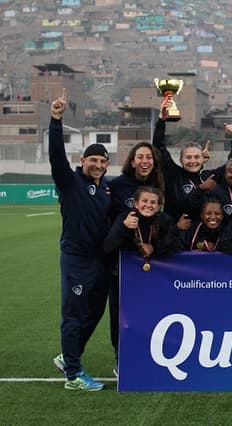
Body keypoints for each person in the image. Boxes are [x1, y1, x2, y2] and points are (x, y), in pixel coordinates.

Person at [49, 91, 110, 391]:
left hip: (100, 261)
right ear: (82, 160)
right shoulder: (70, 182)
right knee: (73, 315)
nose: (97, 165)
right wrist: (56, 120)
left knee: (95, 311)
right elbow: (56, 157)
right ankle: (73, 374)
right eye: (93, 160)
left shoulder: (106, 189)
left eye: (103, 161)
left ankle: (68, 356)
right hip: (76, 259)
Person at [107, 142, 167, 377]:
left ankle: (146, 355)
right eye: (140, 156)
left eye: (149, 157)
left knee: (147, 311)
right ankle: (121, 358)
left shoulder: (158, 185)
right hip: (123, 260)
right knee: (120, 314)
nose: (145, 161)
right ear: (132, 161)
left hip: (151, 262)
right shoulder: (117, 186)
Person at [104, 186, 181, 263]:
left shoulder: (165, 220)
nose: (148, 205)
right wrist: (124, 227)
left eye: (153, 202)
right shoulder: (125, 218)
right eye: (144, 201)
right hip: (128, 267)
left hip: (157, 267)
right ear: (136, 204)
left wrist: (154, 248)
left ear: (158, 207)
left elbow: (174, 247)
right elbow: (108, 247)